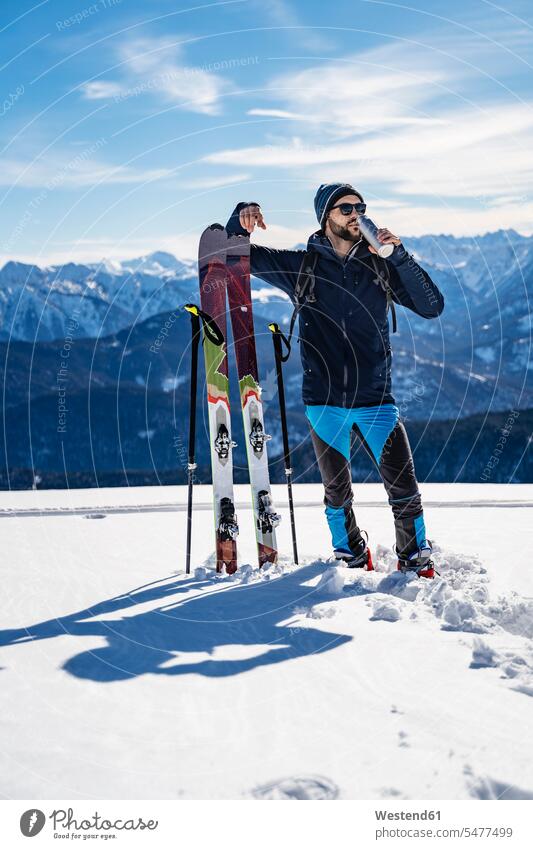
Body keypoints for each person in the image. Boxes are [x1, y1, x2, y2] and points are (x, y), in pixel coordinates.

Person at [225, 183, 445, 578]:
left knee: (405, 490)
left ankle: (414, 555)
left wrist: (399, 256)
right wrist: (239, 220)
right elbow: (235, 256)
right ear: (326, 217)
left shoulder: (380, 266)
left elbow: (432, 306)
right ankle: (350, 554)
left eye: (361, 207)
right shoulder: (302, 268)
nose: (356, 214)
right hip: (324, 401)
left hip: (377, 399)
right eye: (346, 208)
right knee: (336, 495)